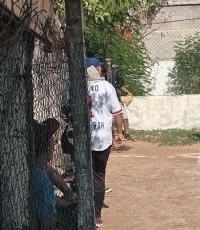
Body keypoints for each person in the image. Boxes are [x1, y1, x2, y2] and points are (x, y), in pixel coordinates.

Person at [86, 57, 124, 228]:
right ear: (96, 70)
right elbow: (117, 113)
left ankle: (84, 208)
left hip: (83, 136)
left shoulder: (80, 86)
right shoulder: (107, 87)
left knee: (85, 173)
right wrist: (119, 133)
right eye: (99, 67)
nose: (101, 69)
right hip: (102, 138)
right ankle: (96, 215)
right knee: (99, 175)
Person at [33, 118, 76, 230]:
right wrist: (64, 202)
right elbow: (47, 223)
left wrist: (68, 192)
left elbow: (52, 173)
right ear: (47, 149)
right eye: (53, 142)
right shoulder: (41, 180)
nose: (55, 145)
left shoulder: (36, 167)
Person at [106, 62, 135, 142]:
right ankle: (114, 135)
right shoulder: (105, 77)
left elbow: (120, 86)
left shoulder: (117, 77)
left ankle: (126, 134)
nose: (114, 70)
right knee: (111, 120)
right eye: (112, 69)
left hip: (117, 100)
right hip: (108, 102)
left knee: (125, 117)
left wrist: (128, 92)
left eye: (115, 69)